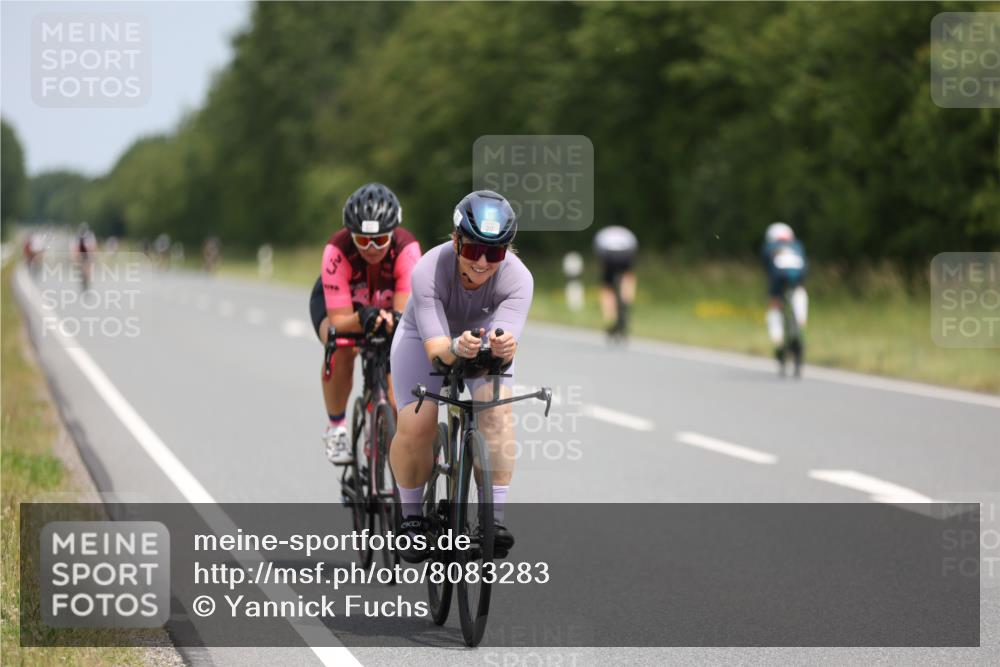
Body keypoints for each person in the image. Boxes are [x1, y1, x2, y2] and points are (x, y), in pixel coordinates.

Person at [389, 190, 532, 562]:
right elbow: (437, 351)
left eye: (495, 252)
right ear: (456, 241)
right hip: (425, 336)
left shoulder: (519, 279)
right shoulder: (429, 268)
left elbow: (505, 338)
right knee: (418, 421)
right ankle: (412, 518)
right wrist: (456, 348)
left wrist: (501, 348)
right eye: (473, 250)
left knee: (496, 412)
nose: (483, 262)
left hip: (480, 338)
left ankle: (494, 521)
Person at [309, 183, 421, 465]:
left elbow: (403, 318)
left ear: (393, 234)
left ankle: (383, 428)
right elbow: (339, 322)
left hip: (388, 307)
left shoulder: (407, 248)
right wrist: (361, 318)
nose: (371, 248)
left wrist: (391, 320)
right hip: (343, 309)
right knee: (340, 347)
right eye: (363, 240)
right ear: (351, 235)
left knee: (397, 387)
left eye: (380, 240)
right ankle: (336, 428)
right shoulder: (337, 249)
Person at [761, 222, 808, 366]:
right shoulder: (797, 246)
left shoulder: (769, 248)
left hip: (778, 281)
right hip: (797, 281)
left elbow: (768, 271)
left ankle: (778, 342)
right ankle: (800, 323)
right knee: (800, 293)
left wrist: (774, 293)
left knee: (774, 307)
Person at [592, 225, 638, 339]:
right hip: (626, 251)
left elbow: (599, 254)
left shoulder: (603, 234)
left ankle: (610, 317)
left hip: (607, 253)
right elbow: (634, 249)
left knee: (607, 288)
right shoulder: (626, 234)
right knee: (628, 276)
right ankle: (626, 301)